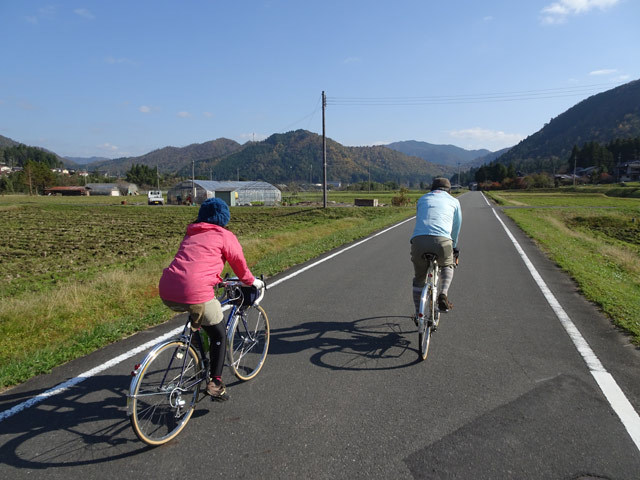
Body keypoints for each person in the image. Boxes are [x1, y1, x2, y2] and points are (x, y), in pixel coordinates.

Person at [159, 198, 264, 401]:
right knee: (219, 335)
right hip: (195, 292)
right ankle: (216, 382)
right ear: (224, 218)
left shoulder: (191, 232)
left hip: (167, 289)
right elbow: (239, 264)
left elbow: (194, 264)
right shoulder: (224, 235)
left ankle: (197, 348)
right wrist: (252, 282)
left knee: (199, 315)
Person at [410, 177, 462, 317]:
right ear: (449, 191)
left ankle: (417, 314)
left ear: (432, 189)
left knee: (419, 280)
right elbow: (456, 228)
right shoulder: (454, 201)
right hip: (443, 241)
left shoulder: (422, 199)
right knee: (448, 265)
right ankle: (443, 293)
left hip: (419, 240)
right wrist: (454, 247)